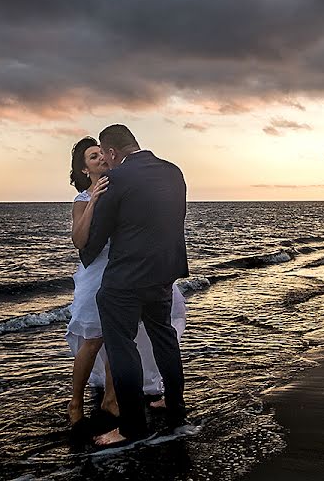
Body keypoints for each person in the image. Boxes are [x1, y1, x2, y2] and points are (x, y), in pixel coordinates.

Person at [80, 124, 196, 447]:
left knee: (122, 347)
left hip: (125, 280)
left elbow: (97, 235)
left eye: (104, 155)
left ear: (113, 153)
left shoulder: (116, 179)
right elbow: (174, 219)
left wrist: (85, 252)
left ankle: (130, 428)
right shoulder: (174, 173)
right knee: (164, 338)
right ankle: (174, 401)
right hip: (163, 274)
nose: (105, 161)